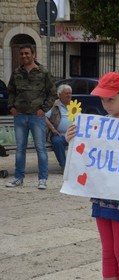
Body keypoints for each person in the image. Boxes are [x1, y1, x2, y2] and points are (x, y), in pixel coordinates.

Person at [65, 72, 119, 280]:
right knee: (108, 252)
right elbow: (86, 158)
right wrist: (71, 141)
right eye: (102, 99)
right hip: (101, 197)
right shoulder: (98, 125)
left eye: (111, 99)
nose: (106, 104)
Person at [6, 43, 56, 189]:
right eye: (21, 53)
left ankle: (42, 179)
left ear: (33, 55)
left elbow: (52, 93)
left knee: (40, 148)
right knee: (20, 148)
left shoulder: (43, 72)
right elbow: (11, 91)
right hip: (20, 116)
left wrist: (44, 109)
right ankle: (18, 178)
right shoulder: (16, 73)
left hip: (36, 116)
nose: (24, 56)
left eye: (27, 53)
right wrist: (12, 107)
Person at [45, 84, 72, 172]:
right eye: (66, 93)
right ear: (60, 95)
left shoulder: (74, 105)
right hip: (59, 134)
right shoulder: (54, 105)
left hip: (72, 134)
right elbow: (44, 117)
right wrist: (52, 129)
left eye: (70, 93)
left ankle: (79, 166)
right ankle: (64, 166)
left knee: (84, 141)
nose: (69, 95)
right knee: (57, 141)